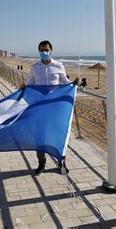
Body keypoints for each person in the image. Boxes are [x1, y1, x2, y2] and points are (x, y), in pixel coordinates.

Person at [22, 40, 78, 176]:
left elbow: (65, 83)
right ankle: (41, 163)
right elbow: (30, 83)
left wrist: (74, 84)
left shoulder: (59, 66)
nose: (44, 52)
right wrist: (24, 86)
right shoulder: (34, 67)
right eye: (41, 50)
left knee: (58, 135)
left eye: (46, 50)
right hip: (40, 108)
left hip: (55, 108)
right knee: (40, 137)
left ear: (51, 50)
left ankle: (61, 162)